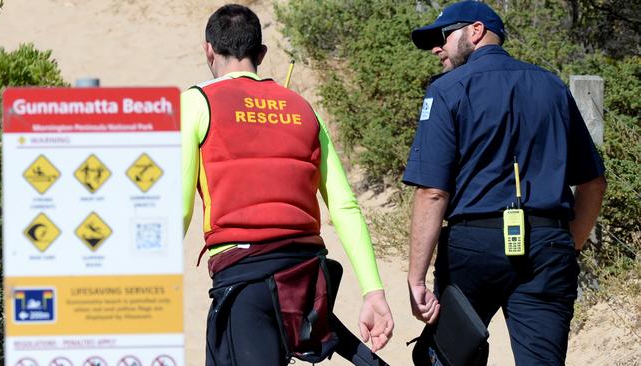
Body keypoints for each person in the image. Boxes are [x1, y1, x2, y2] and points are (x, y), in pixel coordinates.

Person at [181, 4, 394, 366]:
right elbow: (344, 207)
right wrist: (374, 291)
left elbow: (179, 207)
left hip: (245, 279)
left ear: (208, 49)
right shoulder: (302, 107)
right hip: (306, 282)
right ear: (261, 54)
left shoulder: (196, 102)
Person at [403, 1, 607, 364]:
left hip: (473, 246)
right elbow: (593, 182)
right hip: (547, 244)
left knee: (452, 355)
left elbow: (433, 192)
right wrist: (567, 245)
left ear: (476, 31)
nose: (437, 48)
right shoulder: (552, 86)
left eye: (444, 37)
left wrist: (416, 279)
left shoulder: (447, 90)